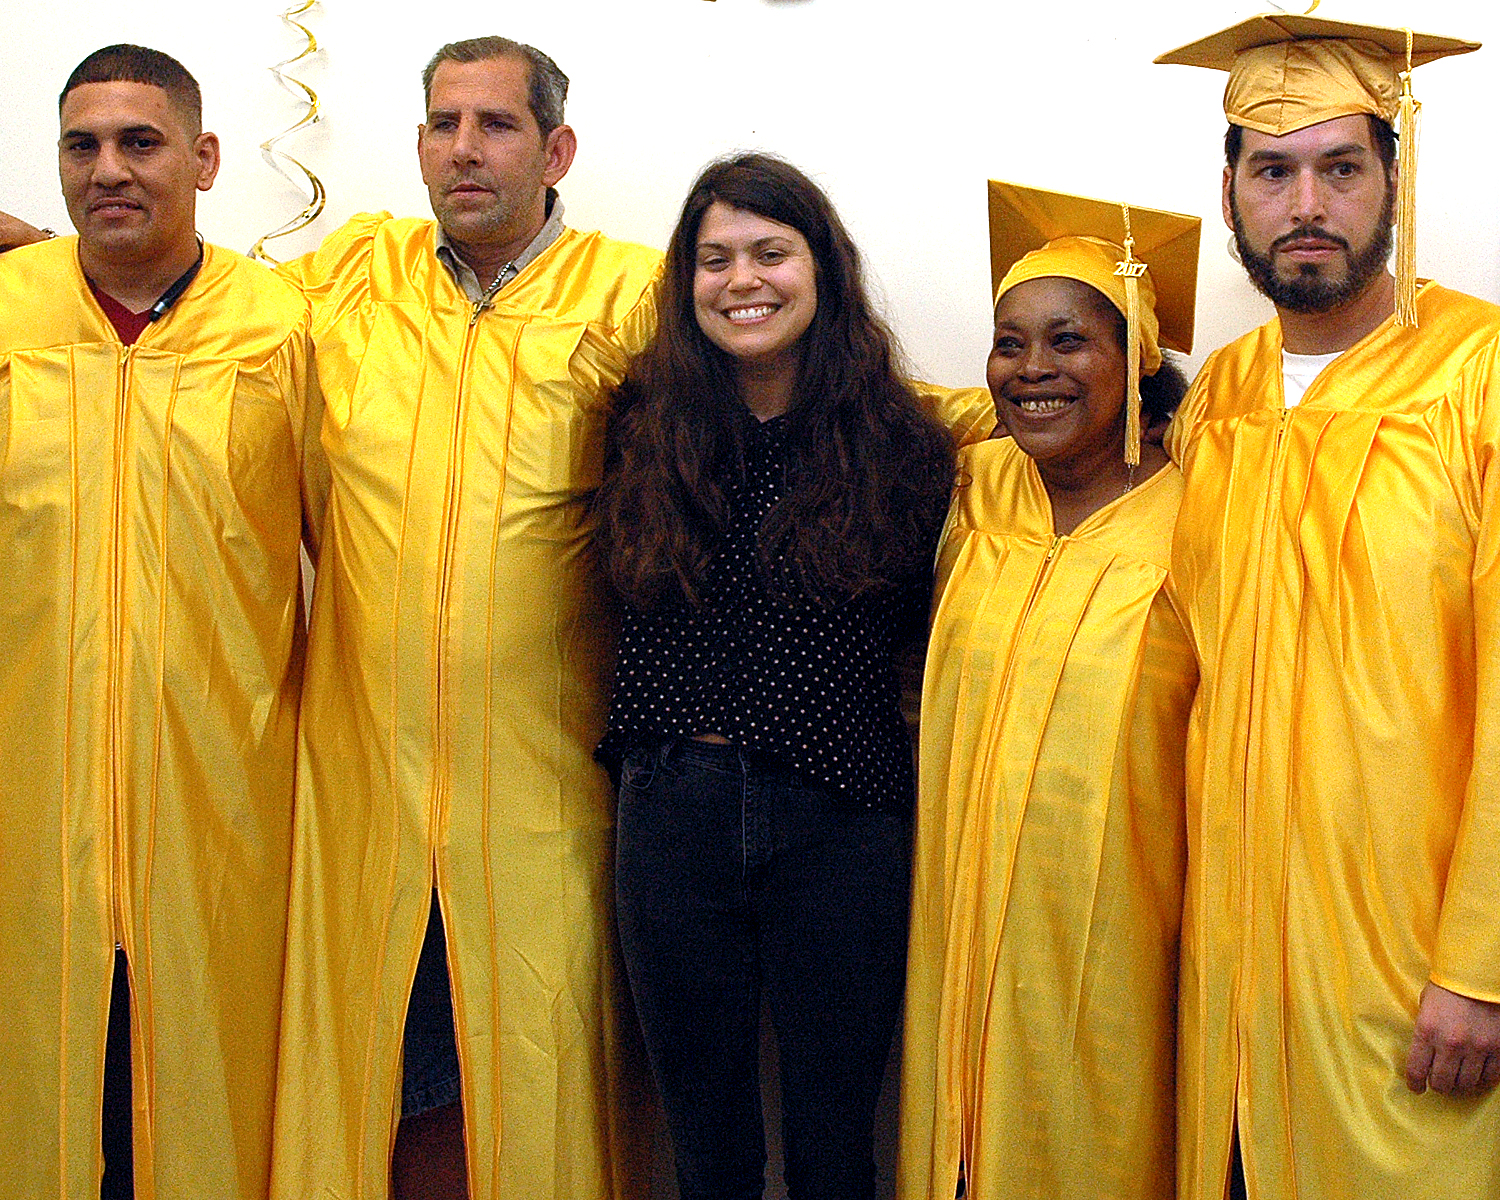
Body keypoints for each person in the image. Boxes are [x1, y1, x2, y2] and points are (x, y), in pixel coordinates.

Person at [265, 36, 663, 1200]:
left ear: (557, 149)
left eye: (494, 125)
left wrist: (1013, 414)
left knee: (529, 1094)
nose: (463, 149)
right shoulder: (349, 277)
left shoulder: (629, 294)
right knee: (373, 1085)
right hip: (364, 786)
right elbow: (194, 309)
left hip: (539, 792)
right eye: (443, 124)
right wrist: (43, 258)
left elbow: (802, 376)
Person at [592, 152, 992, 1200]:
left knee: (832, 1141)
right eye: (714, 259)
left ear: (823, 270)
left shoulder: (905, 440)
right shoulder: (637, 423)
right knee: (707, 1142)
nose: (743, 281)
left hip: (843, 816)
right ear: (686, 286)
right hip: (670, 812)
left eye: (771, 252)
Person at [1155, 15, 1500, 1200]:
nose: (1308, 201)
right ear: (1232, 191)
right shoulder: (1220, 404)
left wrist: (1483, 963)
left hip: (1407, 975)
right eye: (1274, 170)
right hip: (1232, 973)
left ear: (1394, 180)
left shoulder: (1482, 377)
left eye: (1342, 167)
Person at [0, 44, 316, 1200]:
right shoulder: (8, 317)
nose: (108, 171)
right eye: (82, 145)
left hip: (224, 806)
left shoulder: (285, 329)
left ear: (205, 158)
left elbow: (363, 547)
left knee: (201, 1098)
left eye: (140, 142)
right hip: (28, 807)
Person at [896, 181, 1200, 1200]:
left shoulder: (1201, 519)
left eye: (1068, 341)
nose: (1032, 368)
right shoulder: (974, 490)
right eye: (1009, 342)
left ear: (1138, 360)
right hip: (957, 927)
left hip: (1125, 938)